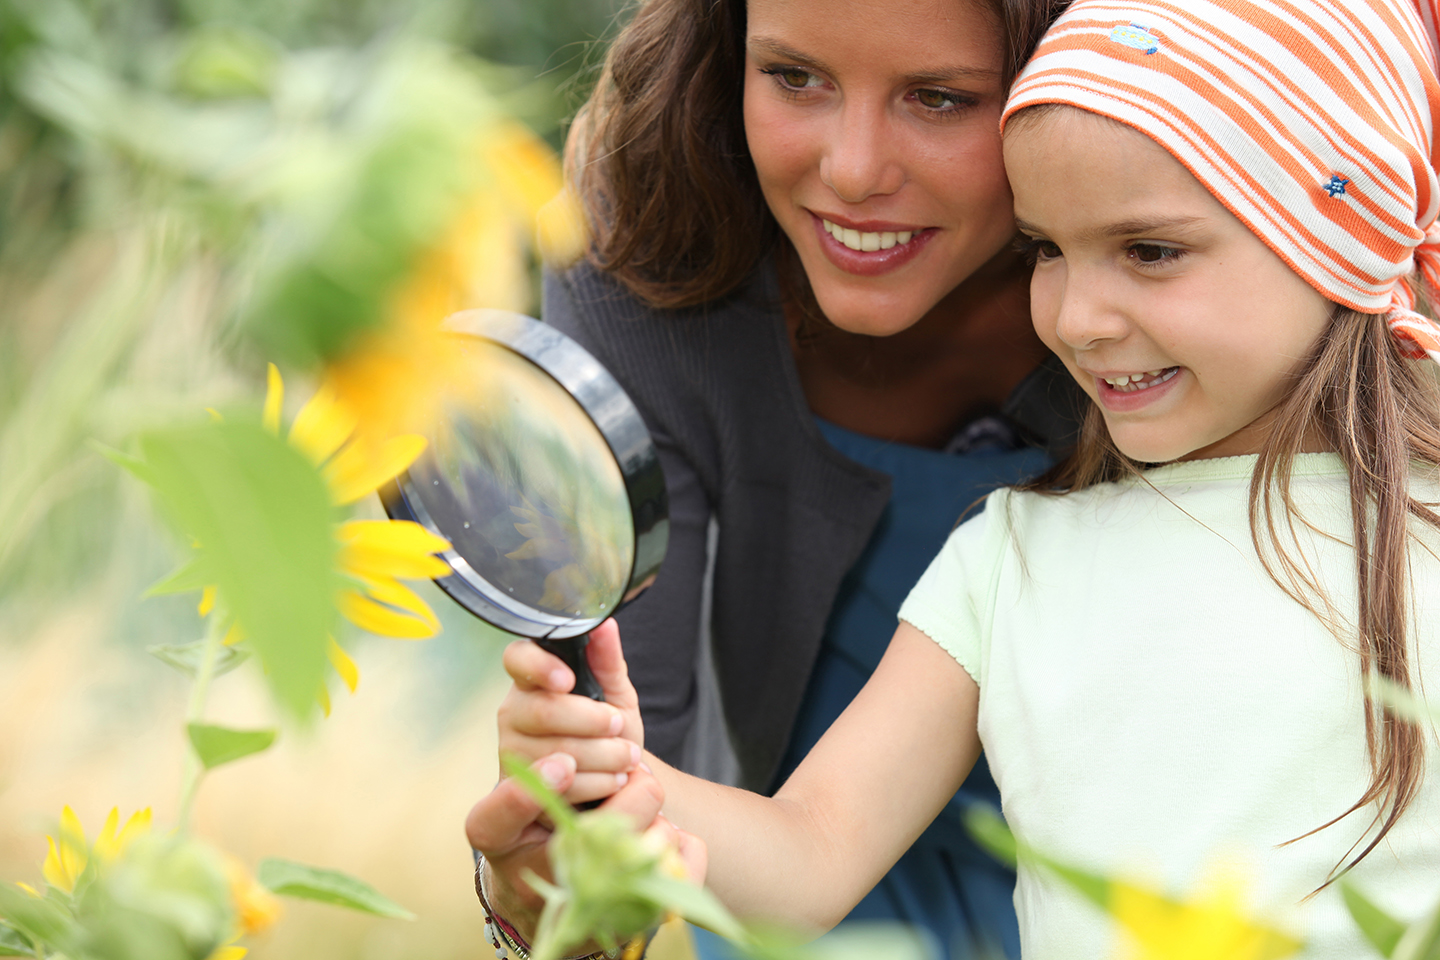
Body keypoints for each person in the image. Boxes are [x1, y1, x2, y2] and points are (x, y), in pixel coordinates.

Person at [482, 0, 1440, 954]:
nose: (1078, 320)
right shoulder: (1010, 553)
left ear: (1343, 238)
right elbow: (808, 850)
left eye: (1150, 251)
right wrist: (602, 794)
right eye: (1049, 250)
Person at [471, 0, 1083, 957]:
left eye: (938, 98)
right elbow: (634, 793)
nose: (850, 169)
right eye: (794, 77)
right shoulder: (647, 251)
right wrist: (551, 889)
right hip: (783, 888)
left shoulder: (1217, 275)